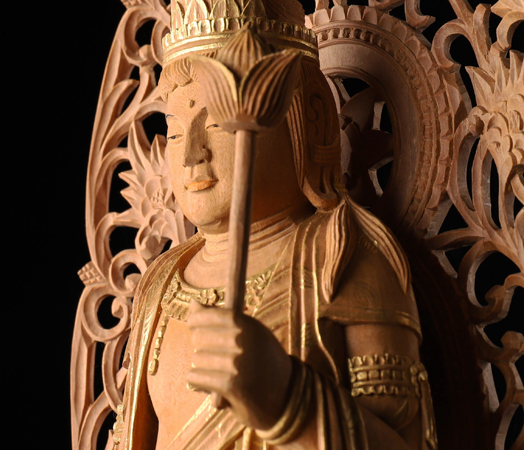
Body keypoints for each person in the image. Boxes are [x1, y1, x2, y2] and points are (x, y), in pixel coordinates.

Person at [112, 0, 436, 448]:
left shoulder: (342, 258)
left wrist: (288, 399)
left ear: (308, 118)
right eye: (177, 131)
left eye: (219, 123)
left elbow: (407, 442)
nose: (191, 154)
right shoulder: (161, 283)